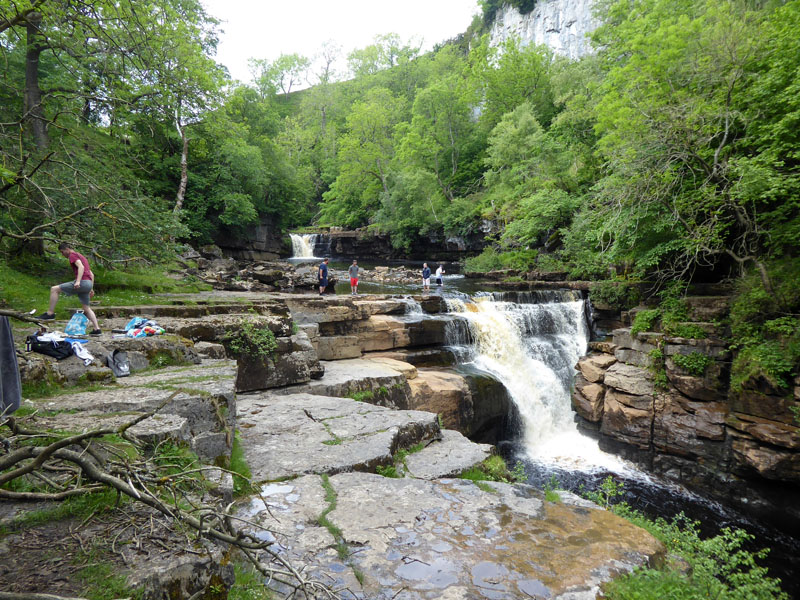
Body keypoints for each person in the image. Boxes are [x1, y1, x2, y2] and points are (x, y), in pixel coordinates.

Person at [35, 242, 102, 335]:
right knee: (86, 308)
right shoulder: (81, 256)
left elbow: (81, 267)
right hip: (88, 283)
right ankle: (97, 329)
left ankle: (50, 314)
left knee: (54, 289)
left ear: (67, 249)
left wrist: (78, 281)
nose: (62, 254)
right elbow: (91, 274)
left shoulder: (72, 255)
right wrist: (91, 288)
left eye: (62, 252)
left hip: (82, 282)